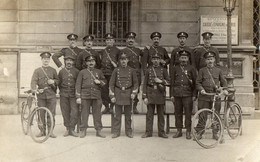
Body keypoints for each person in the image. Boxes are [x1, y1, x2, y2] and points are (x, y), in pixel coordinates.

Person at [195, 51, 228, 140]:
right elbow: (197, 82)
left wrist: (224, 89)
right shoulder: (202, 71)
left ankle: (215, 133)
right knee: (202, 114)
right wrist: (201, 89)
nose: (210, 61)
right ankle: (199, 133)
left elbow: (224, 82)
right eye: (208, 59)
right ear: (205, 61)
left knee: (216, 114)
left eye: (211, 59)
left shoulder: (219, 70)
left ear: (214, 60)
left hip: (215, 96)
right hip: (204, 96)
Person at [75, 55, 106, 138]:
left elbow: (104, 82)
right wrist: (78, 96)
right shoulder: (82, 72)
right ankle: (83, 130)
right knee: (84, 114)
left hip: (96, 95)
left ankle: (98, 130)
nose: (91, 63)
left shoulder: (99, 72)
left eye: (92, 61)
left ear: (95, 62)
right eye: (89, 61)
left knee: (97, 114)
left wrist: (99, 82)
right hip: (85, 95)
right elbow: (78, 84)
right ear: (86, 63)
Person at [109, 53, 139, 138]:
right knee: (117, 115)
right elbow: (111, 84)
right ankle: (116, 132)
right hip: (118, 93)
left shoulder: (132, 70)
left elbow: (136, 83)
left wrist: (134, 93)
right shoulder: (116, 70)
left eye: (125, 59)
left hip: (128, 94)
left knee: (128, 115)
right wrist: (112, 96)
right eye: (121, 59)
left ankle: (128, 131)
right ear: (119, 61)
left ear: (127, 60)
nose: (123, 61)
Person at [170, 50, 197, 140]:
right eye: (182, 57)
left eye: (185, 58)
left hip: (188, 94)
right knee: (178, 113)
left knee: (188, 113)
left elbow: (195, 83)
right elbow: (172, 82)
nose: (183, 59)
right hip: (177, 94)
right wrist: (171, 95)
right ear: (179, 58)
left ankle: (188, 131)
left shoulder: (191, 68)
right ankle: (179, 130)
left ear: (188, 58)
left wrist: (194, 95)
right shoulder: (175, 68)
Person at [31, 52, 59, 138]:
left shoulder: (53, 70)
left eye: (47, 59)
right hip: (41, 95)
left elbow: (58, 81)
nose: (46, 60)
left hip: (51, 95)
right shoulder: (37, 70)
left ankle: (50, 131)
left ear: (49, 60)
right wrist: (34, 89)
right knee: (41, 113)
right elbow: (33, 81)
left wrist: (53, 81)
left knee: (51, 113)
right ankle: (42, 131)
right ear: (41, 60)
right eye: (44, 59)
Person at [142, 54, 170, 138]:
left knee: (161, 114)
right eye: (154, 59)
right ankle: (148, 132)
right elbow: (144, 84)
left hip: (160, 93)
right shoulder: (148, 70)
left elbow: (169, 82)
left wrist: (161, 81)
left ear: (160, 60)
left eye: (157, 59)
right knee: (149, 115)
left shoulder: (164, 70)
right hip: (150, 93)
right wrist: (144, 96)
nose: (155, 61)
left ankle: (161, 132)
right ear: (151, 60)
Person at [121, 32, 143, 114]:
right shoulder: (123, 51)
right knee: (127, 90)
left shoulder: (138, 50)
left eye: (132, 39)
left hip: (137, 74)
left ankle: (134, 107)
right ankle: (127, 107)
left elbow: (146, 58)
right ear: (126, 40)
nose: (131, 40)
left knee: (135, 90)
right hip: (128, 74)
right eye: (129, 39)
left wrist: (148, 48)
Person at [58, 55, 79, 137]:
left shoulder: (76, 71)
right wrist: (62, 91)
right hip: (64, 94)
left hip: (73, 94)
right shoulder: (61, 71)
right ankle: (67, 128)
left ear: (73, 62)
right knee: (65, 111)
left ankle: (72, 128)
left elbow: (78, 83)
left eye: (71, 61)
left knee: (74, 111)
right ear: (65, 62)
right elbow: (59, 83)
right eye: (67, 60)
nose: (69, 62)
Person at [100, 33, 121, 114]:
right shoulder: (103, 51)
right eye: (107, 40)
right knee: (104, 90)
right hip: (104, 74)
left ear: (114, 41)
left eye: (110, 40)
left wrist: (116, 64)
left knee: (112, 90)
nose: (109, 41)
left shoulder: (118, 51)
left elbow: (121, 62)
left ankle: (112, 107)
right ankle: (106, 107)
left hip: (113, 74)